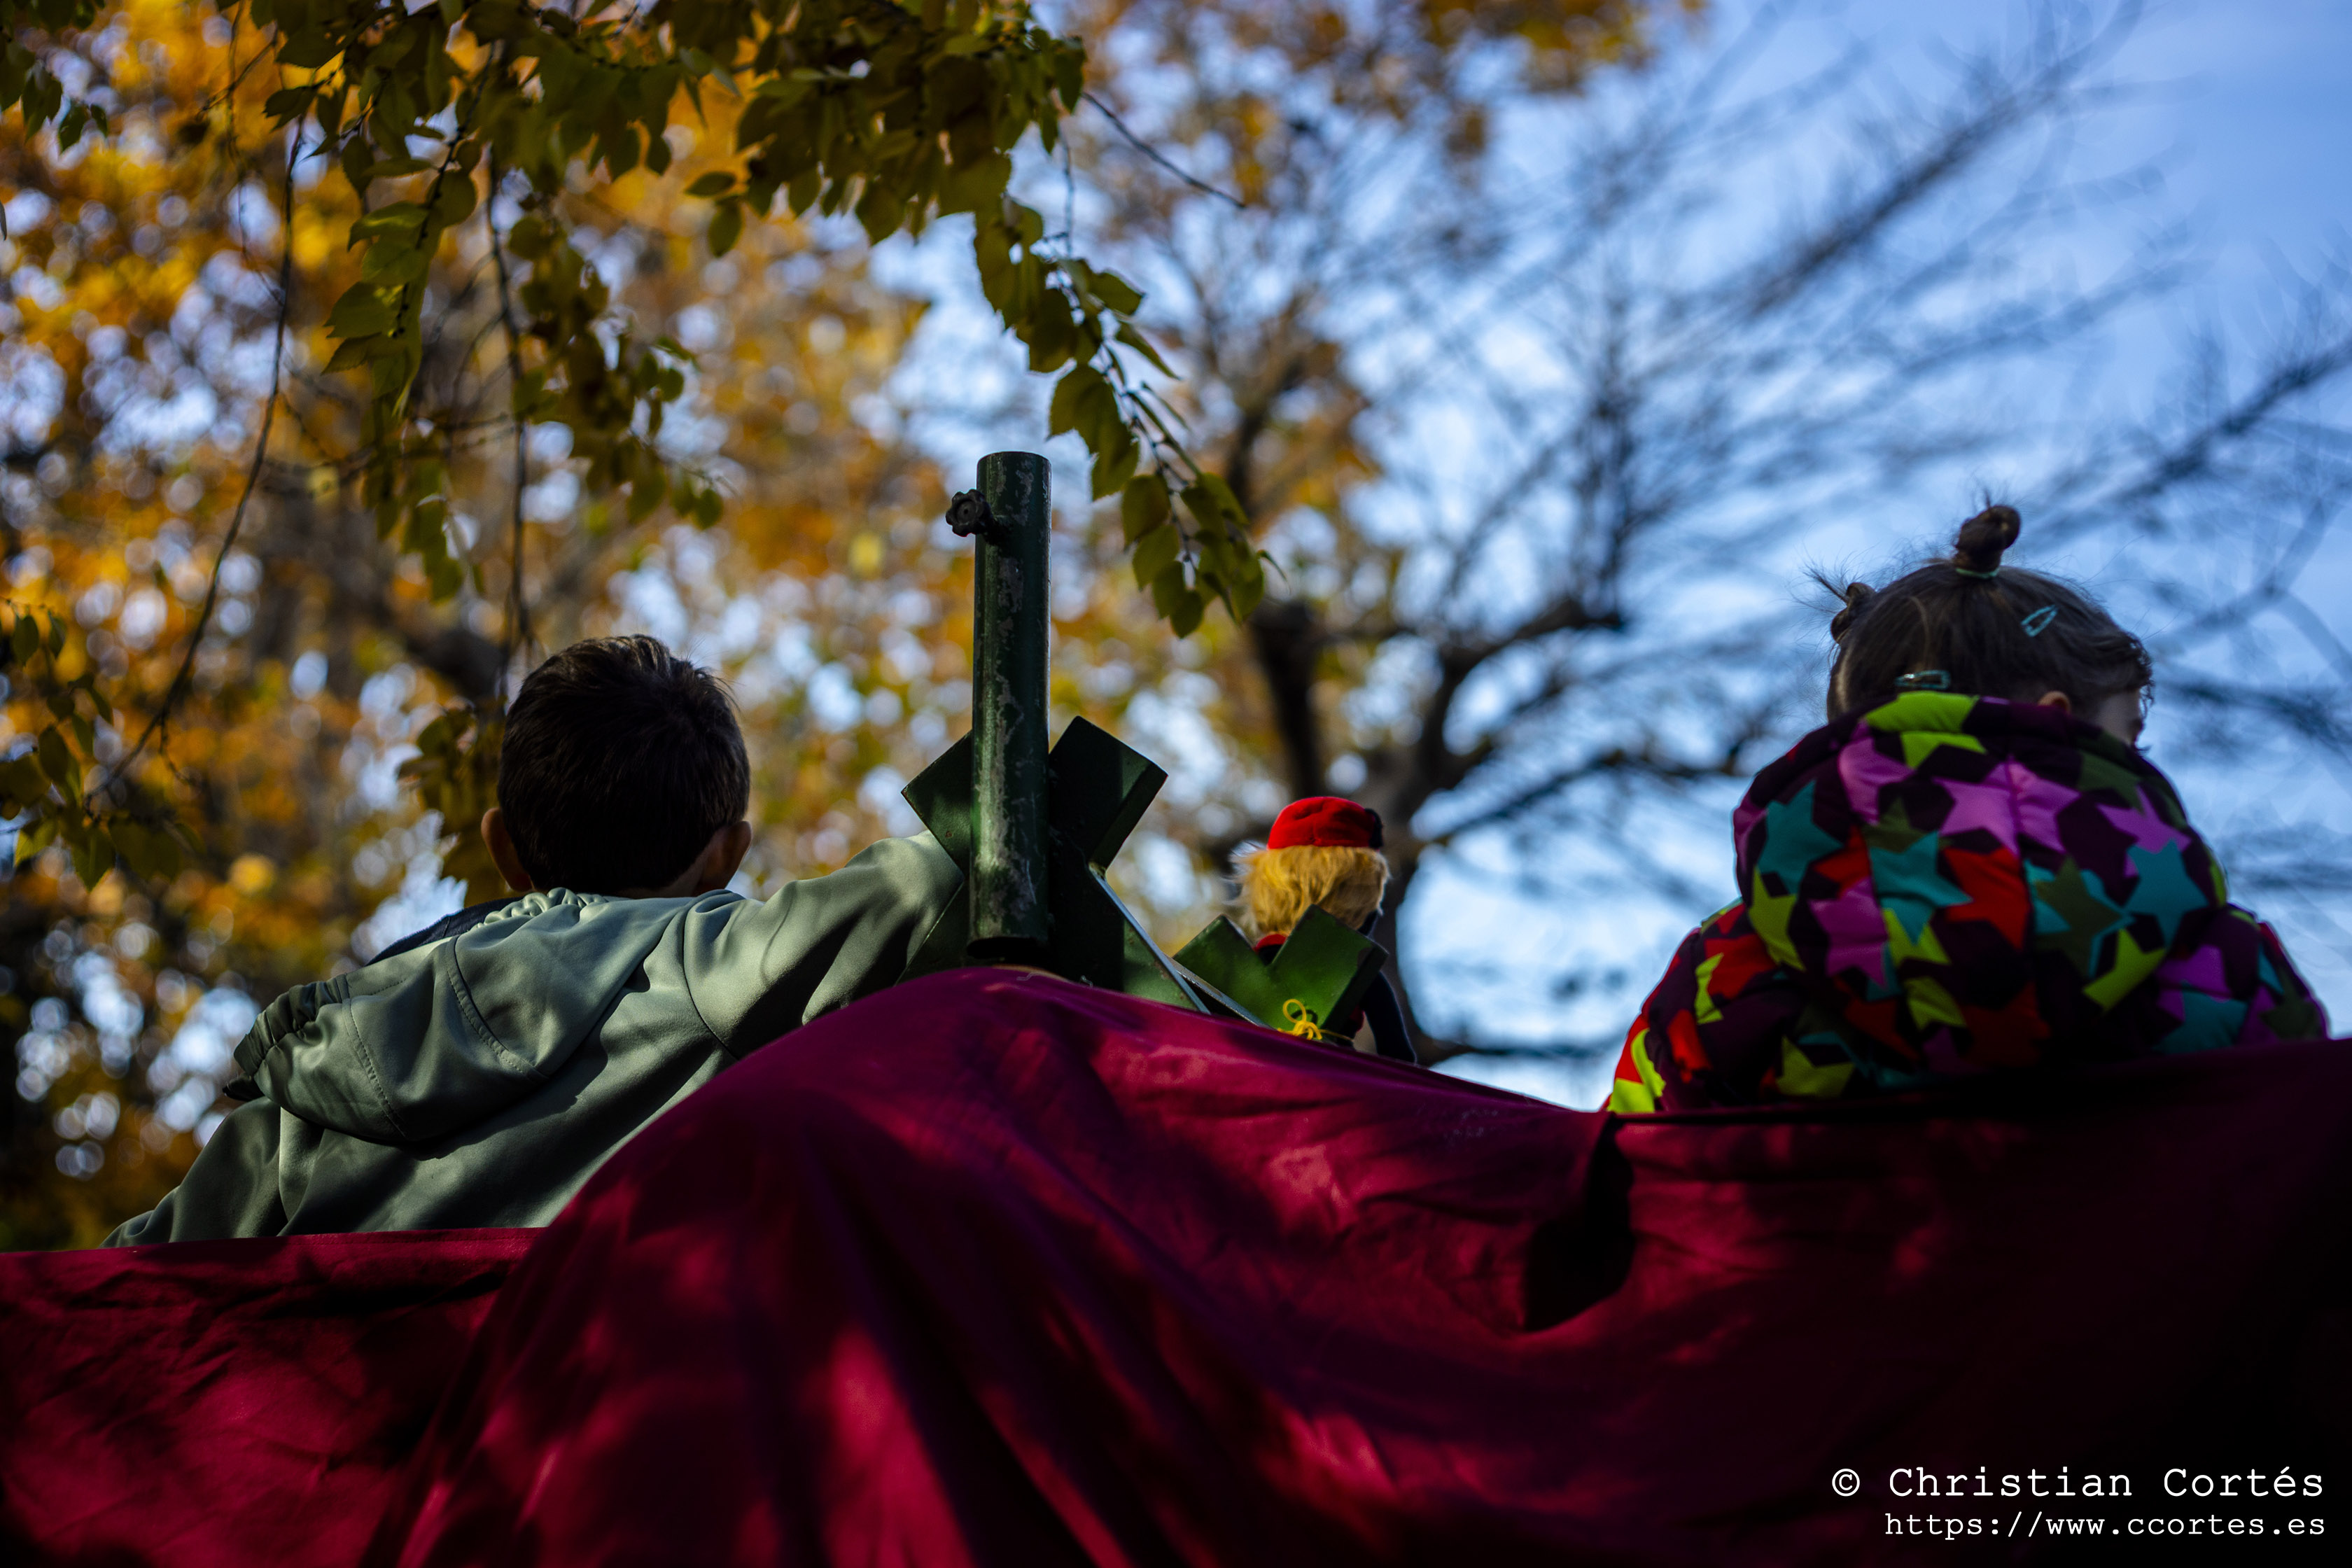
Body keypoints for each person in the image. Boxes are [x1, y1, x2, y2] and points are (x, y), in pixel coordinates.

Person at [107, 636, 962, 1243]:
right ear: (726, 856)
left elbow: (123, 1283)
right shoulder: (706, 964)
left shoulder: (334, 1047)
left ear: (502, 846)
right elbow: (926, 881)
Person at [1609, 506, 2328, 1114]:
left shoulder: (1726, 969)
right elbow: (2307, 1188)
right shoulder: (2228, 965)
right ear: (2061, 724)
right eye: (2130, 737)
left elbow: (1635, 1184)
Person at [1233, 797, 1417, 1063]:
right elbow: (1401, 1060)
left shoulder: (1239, 961)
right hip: (1335, 1080)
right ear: (1360, 894)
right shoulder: (1359, 970)